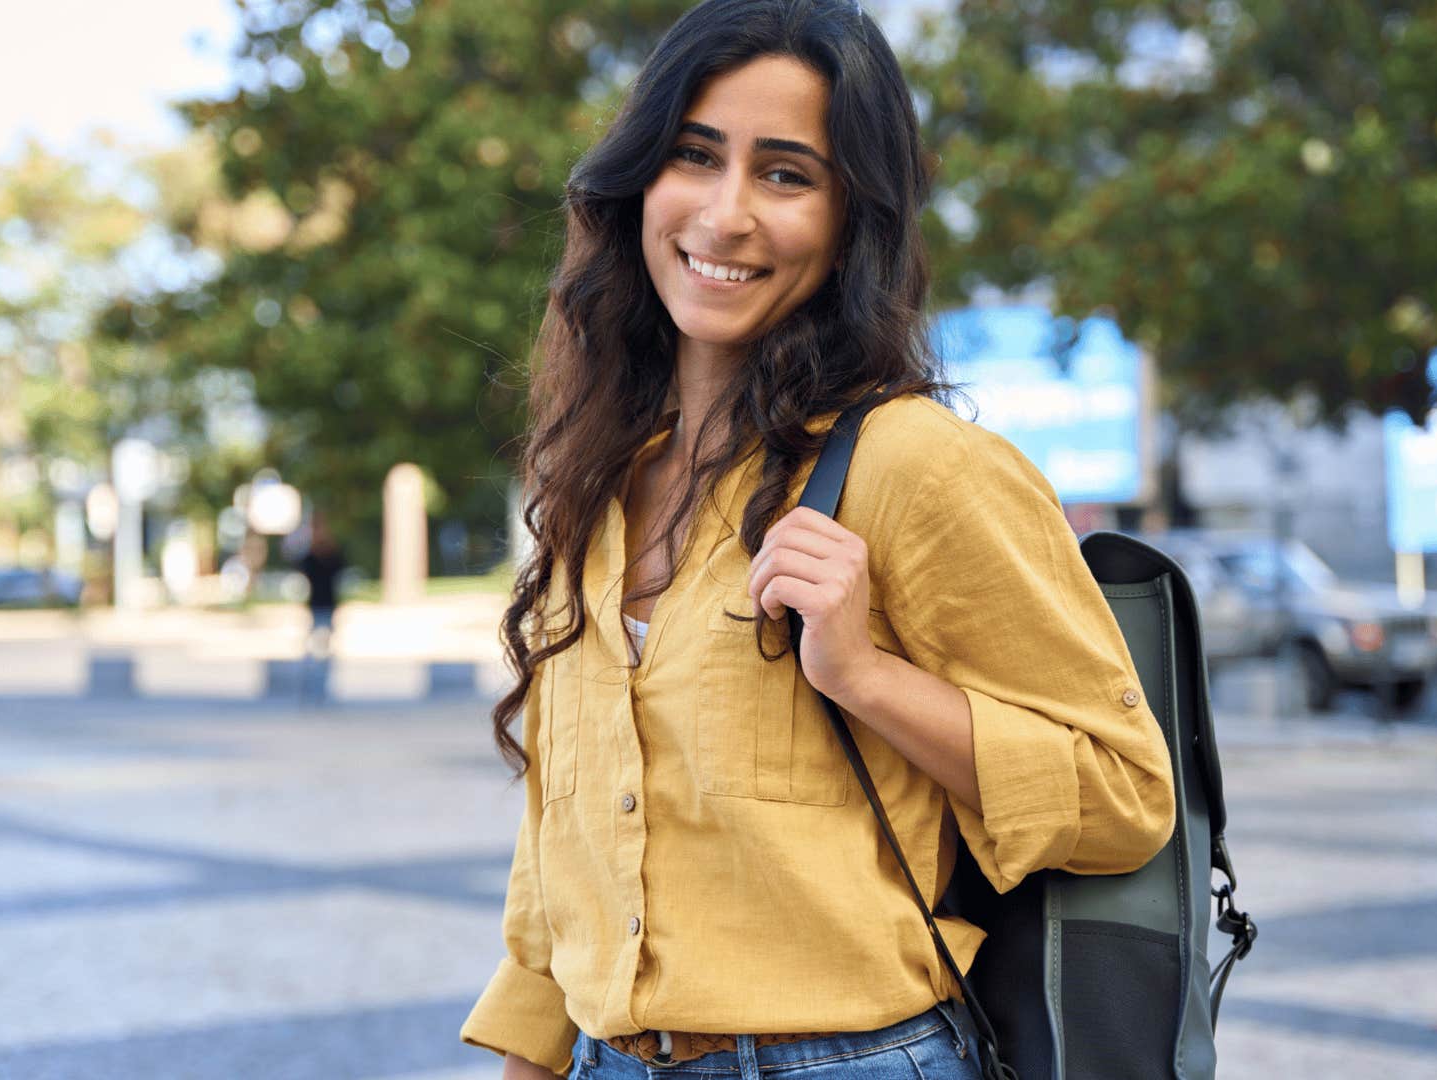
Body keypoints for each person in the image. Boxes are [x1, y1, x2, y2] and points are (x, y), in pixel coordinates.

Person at [461, 1, 1176, 1077]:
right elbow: (566, 844)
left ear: (854, 220)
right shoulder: (597, 479)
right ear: (639, 181)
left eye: (787, 174)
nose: (726, 212)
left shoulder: (914, 466)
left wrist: (866, 676)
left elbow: (1127, 799)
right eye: (693, 156)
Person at [297, 519, 345, 659]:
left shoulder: (331, 555)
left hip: (327, 601)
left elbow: (338, 567)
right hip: (318, 601)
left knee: (325, 639)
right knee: (316, 639)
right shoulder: (311, 557)